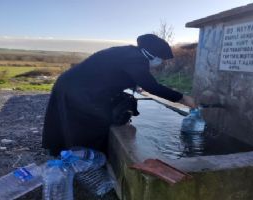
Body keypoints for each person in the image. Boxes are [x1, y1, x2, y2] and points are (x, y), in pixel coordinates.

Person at [42, 34, 196, 156]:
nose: (160, 62)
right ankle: (87, 158)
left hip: (70, 83)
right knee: (90, 119)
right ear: (152, 54)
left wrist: (134, 84)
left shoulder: (129, 52)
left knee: (66, 116)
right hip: (79, 88)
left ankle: (61, 149)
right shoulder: (136, 58)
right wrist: (182, 98)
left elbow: (111, 72)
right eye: (161, 58)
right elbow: (152, 86)